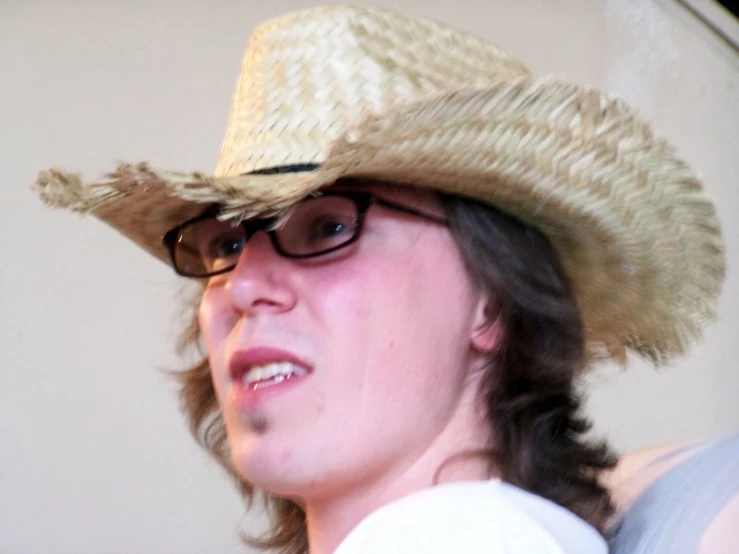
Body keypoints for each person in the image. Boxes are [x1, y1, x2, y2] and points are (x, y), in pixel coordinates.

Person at [32, 5, 726, 554]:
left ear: (491, 298)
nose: (241, 287)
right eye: (226, 243)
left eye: (329, 228)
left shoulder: (469, 538)